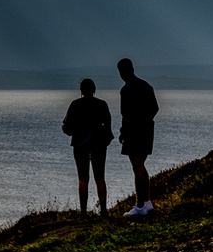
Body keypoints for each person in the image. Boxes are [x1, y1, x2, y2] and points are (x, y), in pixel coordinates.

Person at [61, 77, 112, 214]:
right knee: (100, 178)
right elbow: (108, 128)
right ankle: (103, 210)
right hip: (99, 146)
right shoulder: (102, 104)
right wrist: (105, 140)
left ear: (81, 90)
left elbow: (67, 127)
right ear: (94, 90)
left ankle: (83, 212)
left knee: (83, 179)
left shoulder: (75, 104)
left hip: (80, 145)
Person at [117, 58, 158, 217]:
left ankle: (140, 205)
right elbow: (155, 108)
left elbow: (125, 114)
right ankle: (146, 202)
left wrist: (123, 131)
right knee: (140, 165)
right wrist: (146, 120)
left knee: (137, 166)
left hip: (134, 131)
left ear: (121, 72)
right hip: (147, 129)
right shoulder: (146, 86)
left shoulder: (126, 90)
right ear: (132, 68)